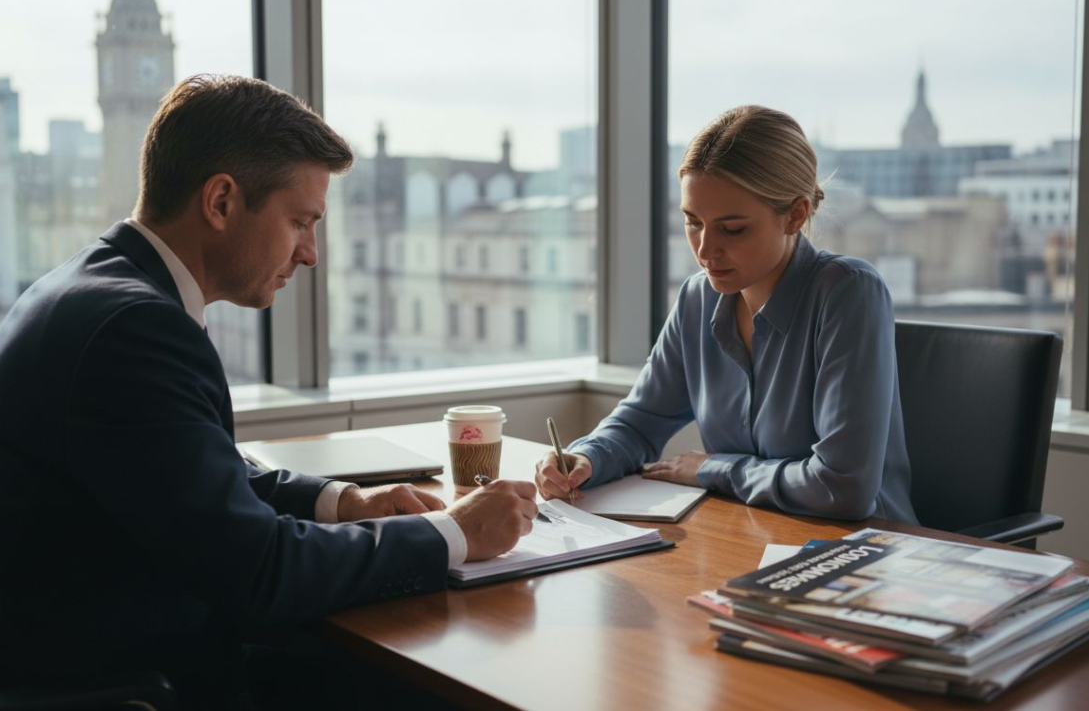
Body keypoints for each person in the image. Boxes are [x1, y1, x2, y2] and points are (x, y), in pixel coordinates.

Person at [0, 74, 538, 709]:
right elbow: (260, 570)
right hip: (138, 676)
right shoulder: (137, 329)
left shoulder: (91, 286)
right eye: (300, 221)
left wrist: (344, 503)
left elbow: (194, 477)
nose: (310, 254)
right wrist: (455, 532)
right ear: (221, 202)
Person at [536, 105, 917, 524]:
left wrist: (714, 469)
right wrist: (586, 457)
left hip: (867, 545)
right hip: (749, 537)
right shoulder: (697, 299)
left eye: (732, 229)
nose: (705, 250)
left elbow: (842, 488)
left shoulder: (848, 292)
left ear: (795, 215)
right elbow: (640, 424)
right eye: (693, 222)